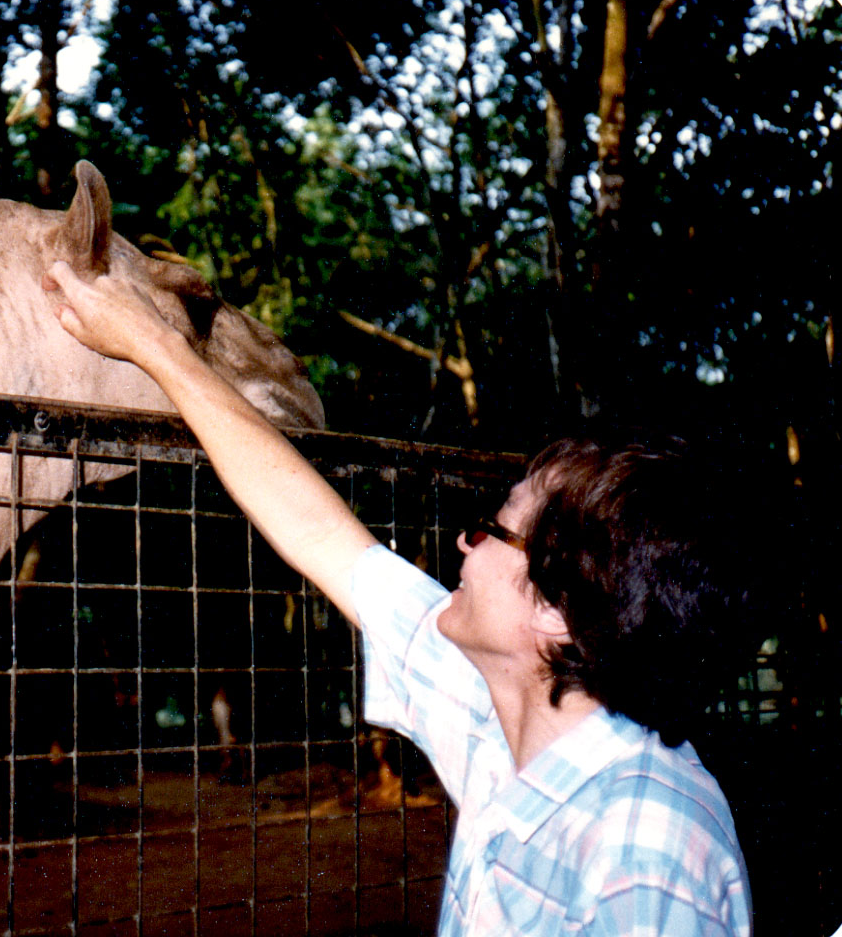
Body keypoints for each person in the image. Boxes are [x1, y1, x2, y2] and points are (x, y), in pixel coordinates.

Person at [45, 261, 752, 936]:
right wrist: (151, 343)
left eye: (493, 530)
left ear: (554, 610)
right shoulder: (497, 716)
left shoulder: (646, 848)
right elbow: (318, 530)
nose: (464, 547)